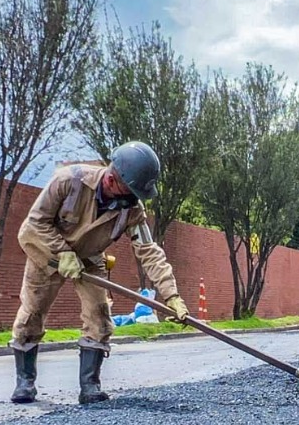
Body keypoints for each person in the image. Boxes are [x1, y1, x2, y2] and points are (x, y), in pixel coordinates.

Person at [10, 142, 189, 405]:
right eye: (131, 191)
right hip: (47, 256)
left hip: (91, 260)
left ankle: (90, 386)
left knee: (99, 314)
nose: (133, 199)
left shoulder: (132, 209)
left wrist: (171, 295)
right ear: (112, 178)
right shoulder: (68, 181)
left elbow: (148, 250)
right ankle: (25, 383)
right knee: (32, 313)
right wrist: (62, 253)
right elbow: (33, 225)